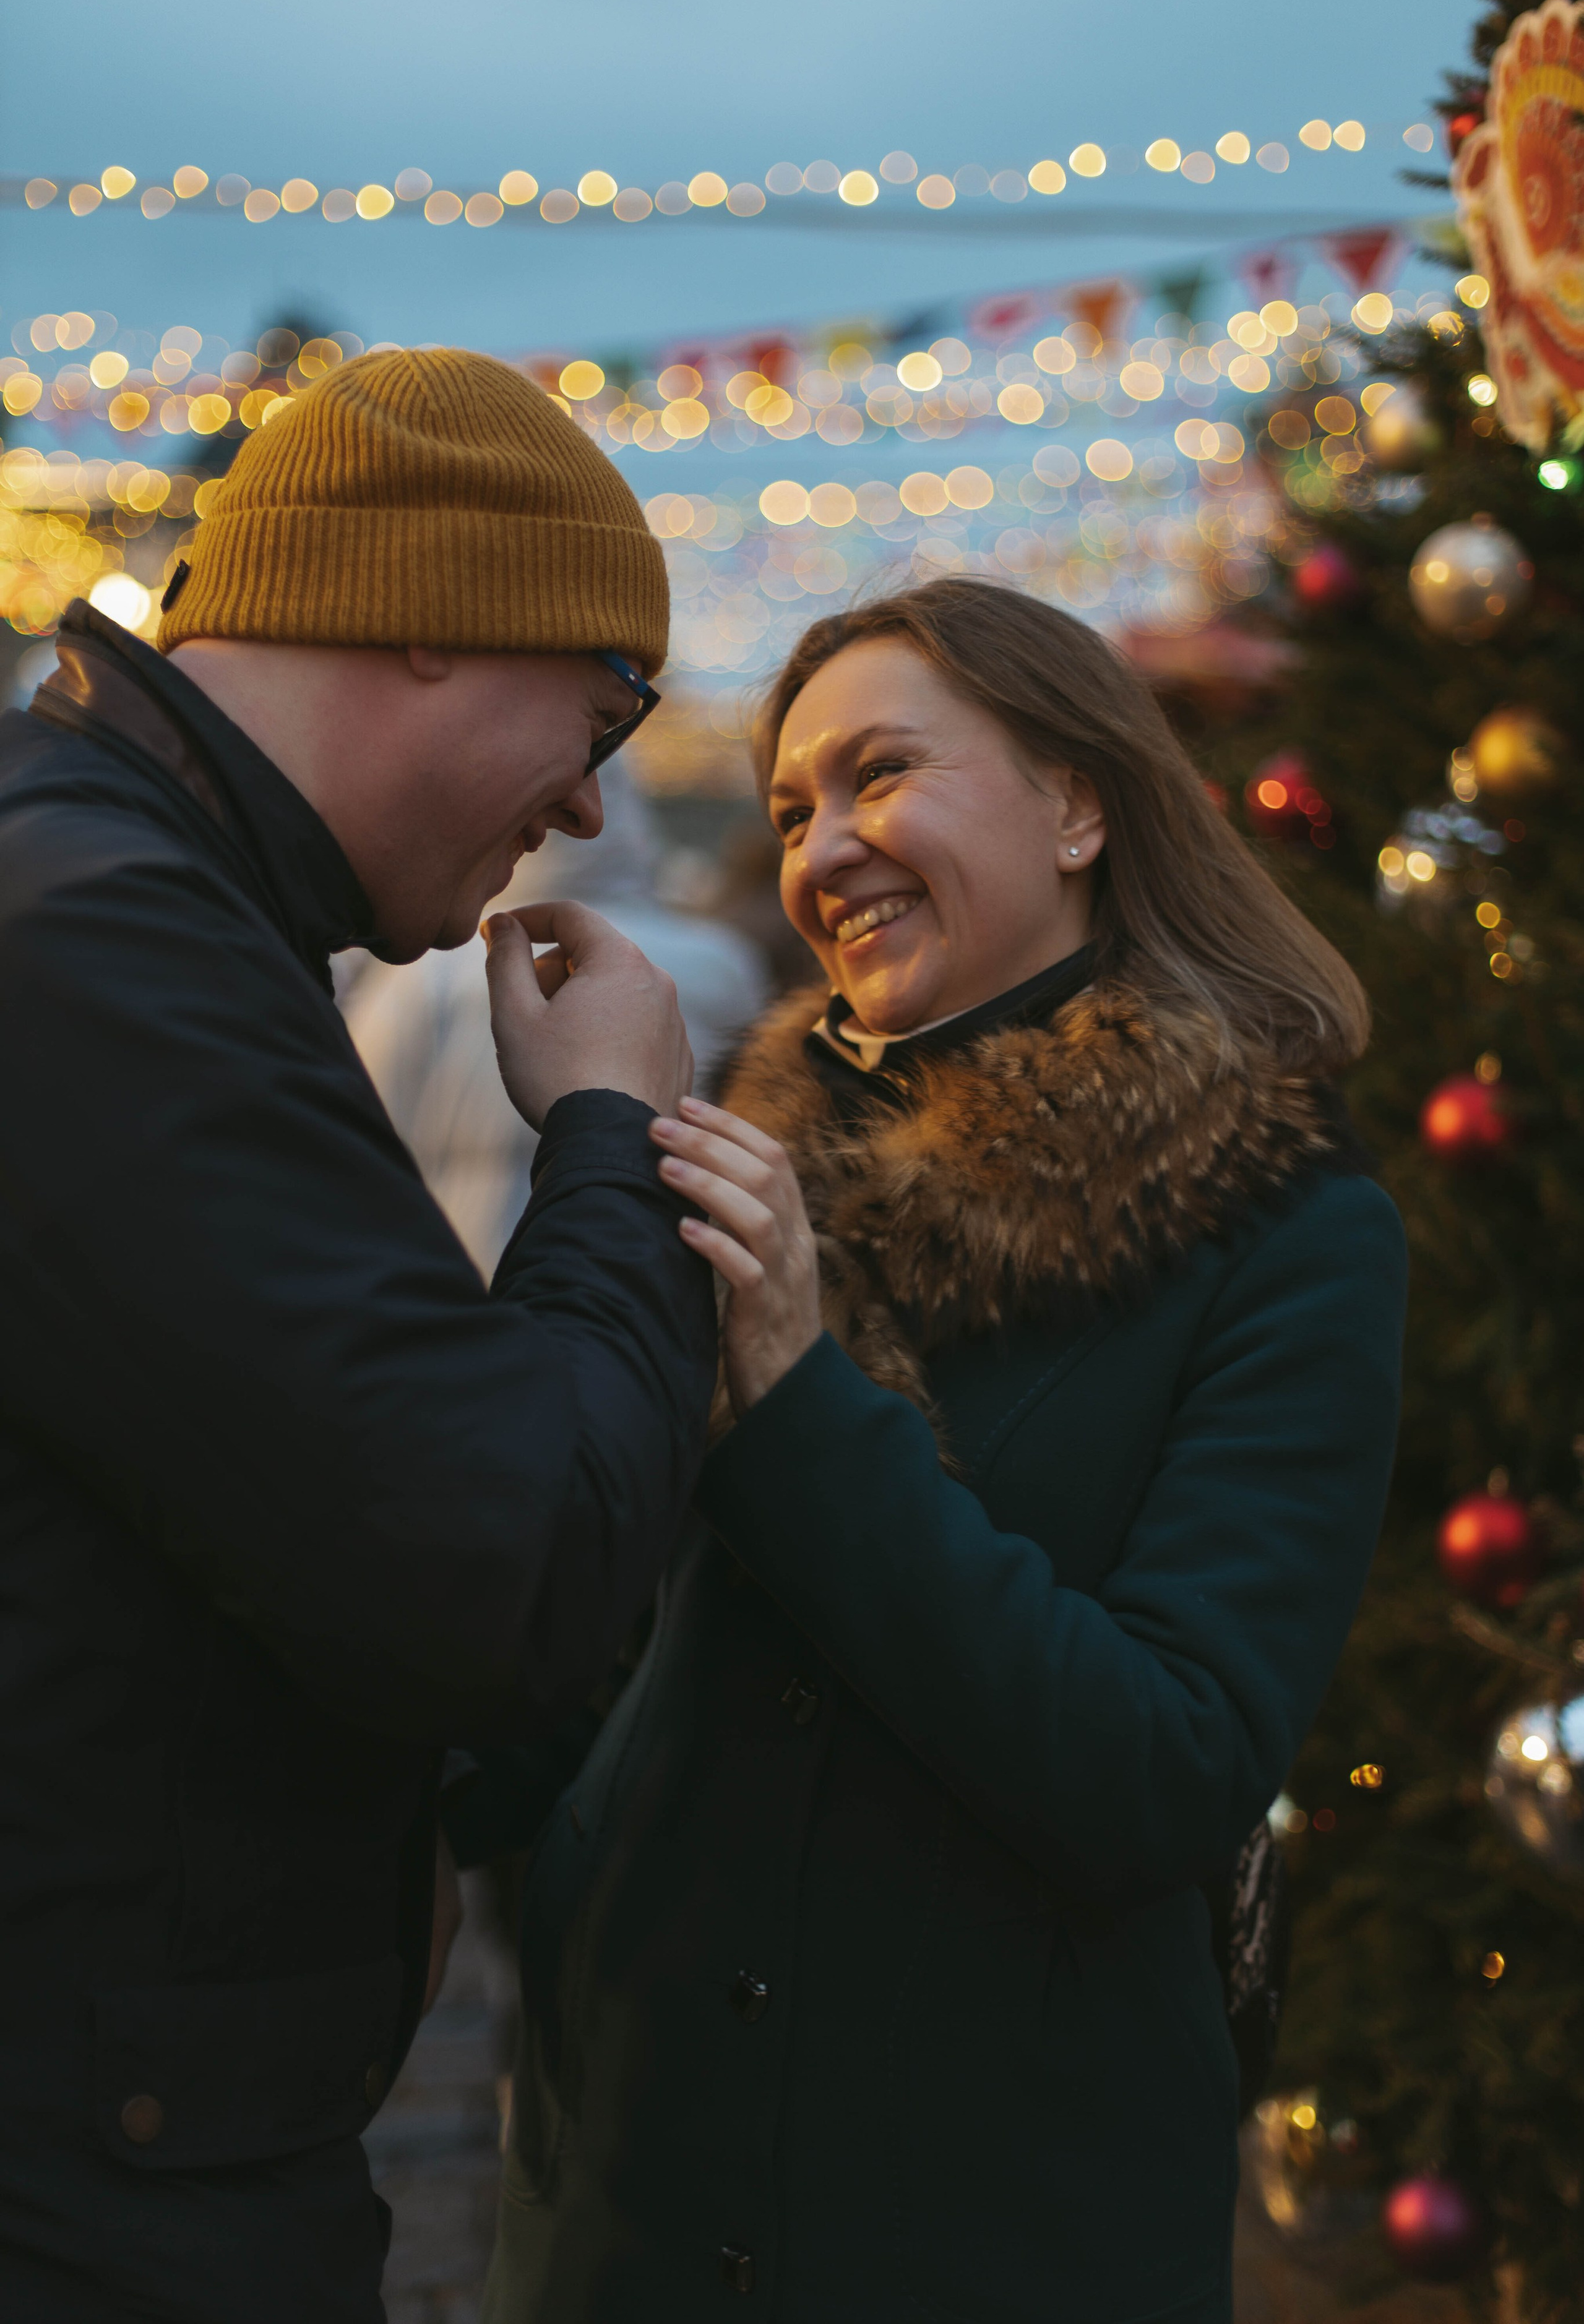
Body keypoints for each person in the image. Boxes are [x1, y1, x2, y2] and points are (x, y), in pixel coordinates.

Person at [467, 579, 1408, 2322]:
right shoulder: (738, 1173)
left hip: (992, 2220)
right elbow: (579, 1651)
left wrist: (795, 1386)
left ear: (1080, 803)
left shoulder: (1286, 1230)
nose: (827, 850)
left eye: (881, 775)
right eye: (792, 812)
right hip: (629, 2196)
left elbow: (1165, 1770)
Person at [0, 347, 717, 2323]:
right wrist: (612, 1127)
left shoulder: (132, 885)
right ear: (429, 613)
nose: (588, 796)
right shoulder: (94, 929)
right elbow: (502, 1557)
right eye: (599, 708)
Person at [344, 758, 769, 1276]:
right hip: (647, 1273)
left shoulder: (421, 971)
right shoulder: (719, 961)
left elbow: (360, 1135)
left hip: (458, 1279)